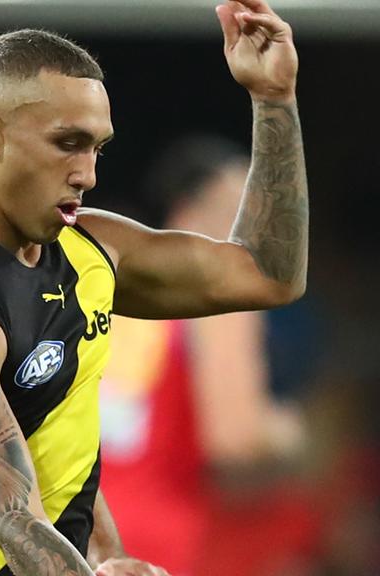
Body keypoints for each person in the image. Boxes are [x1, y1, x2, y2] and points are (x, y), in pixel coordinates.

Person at [0, 1, 308, 575]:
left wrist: (274, 101)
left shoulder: (91, 251)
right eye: (67, 143)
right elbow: (14, 519)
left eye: (97, 147)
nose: (88, 173)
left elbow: (267, 275)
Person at [98, 135, 309, 576]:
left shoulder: (102, 294)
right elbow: (235, 438)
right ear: (187, 213)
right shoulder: (218, 303)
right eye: (238, 212)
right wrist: (289, 432)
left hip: (73, 537)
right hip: (158, 547)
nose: (254, 233)